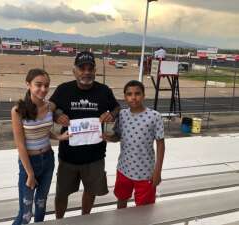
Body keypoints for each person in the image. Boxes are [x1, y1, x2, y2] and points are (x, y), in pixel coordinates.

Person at [49, 51, 120, 218]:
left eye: (90, 68)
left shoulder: (104, 90)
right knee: (61, 194)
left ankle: (84, 218)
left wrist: (111, 114)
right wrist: (57, 114)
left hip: (95, 157)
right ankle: (59, 220)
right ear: (74, 70)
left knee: (90, 191)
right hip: (68, 157)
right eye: (82, 68)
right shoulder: (63, 89)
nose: (86, 72)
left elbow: (117, 107)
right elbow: (49, 106)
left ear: (95, 71)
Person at [11, 68, 69, 224]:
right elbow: (21, 145)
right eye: (38, 84)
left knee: (41, 206)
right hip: (29, 163)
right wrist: (30, 174)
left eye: (46, 85)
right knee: (25, 214)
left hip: (48, 160)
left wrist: (58, 136)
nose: (43, 89)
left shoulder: (49, 106)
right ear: (28, 84)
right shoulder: (18, 110)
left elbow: (43, 131)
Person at [103, 80, 165, 209]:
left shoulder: (155, 116)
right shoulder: (122, 115)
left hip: (145, 173)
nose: (133, 97)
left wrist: (157, 171)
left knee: (144, 208)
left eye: (137, 93)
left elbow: (160, 145)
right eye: (129, 94)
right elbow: (118, 137)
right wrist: (108, 137)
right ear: (125, 97)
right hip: (123, 169)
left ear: (143, 95)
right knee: (121, 200)